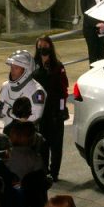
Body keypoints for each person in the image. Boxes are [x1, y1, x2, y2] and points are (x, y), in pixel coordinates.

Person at [32, 35, 69, 181]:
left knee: (56, 144)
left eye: (45, 46)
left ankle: (54, 173)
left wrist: (61, 109)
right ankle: (44, 169)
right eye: (40, 46)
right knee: (42, 144)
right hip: (40, 111)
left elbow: (63, 91)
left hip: (54, 111)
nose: (42, 49)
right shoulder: (34, 65)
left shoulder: (58, 67)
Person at [7, 120, 50, 207]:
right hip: (30, 205)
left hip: (10, 202)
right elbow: (41, 184)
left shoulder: (7, 156)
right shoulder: (35, 159)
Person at [0, 49, 45, 126]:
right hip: (8, 132)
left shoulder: (37, 91)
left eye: (16, 68)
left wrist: (9, 112)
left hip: (27, 135)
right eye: (12, 67)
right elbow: (0, 112)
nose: (12, 71)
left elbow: (36, 117)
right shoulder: (6, 86)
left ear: (26, 71)